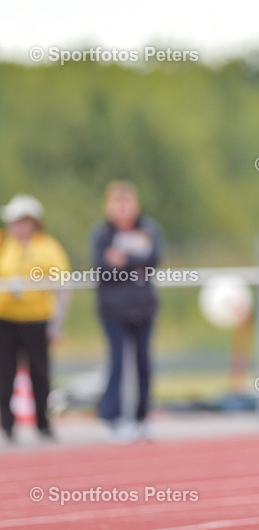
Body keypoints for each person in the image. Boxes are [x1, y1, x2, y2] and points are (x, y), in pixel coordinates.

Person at [92, 182, 164, 443]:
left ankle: (141, 417)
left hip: (143, 307)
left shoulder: (149, 228)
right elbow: (101, 267)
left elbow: (153, 259)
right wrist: (132, 262)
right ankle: (114, 417)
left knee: (143, 363)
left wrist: (124, 259)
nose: (123, 209)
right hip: (114, 309)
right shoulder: (102, 234)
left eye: (127, 203)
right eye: (118, 203)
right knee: (118, 362)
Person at [0, 194, 70, 442]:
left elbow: (62, 286)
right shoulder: (5, 246)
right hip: (6, 320)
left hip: (37, 319)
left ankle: (43, 422)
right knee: (4, 373)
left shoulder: (47, 247)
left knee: (40, 373)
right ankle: (7, 424)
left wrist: (56, 323)